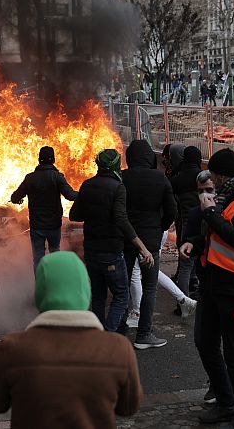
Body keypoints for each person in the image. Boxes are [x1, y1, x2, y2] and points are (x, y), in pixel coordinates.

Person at [0, 251, 143, 428]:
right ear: (84, 290)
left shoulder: (13, 348)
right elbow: (128, 407)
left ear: (41, 292)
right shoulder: (117, 348)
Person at [179, 148, 234, 428]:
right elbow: (215, 236)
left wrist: (211, 212)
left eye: (215, 174)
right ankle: (226, 403)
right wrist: (195, 243)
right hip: (212, 283)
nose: (212, 179)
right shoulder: (225, 197)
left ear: (223, 175)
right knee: (204, 341)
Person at [69, 149, 154, 332]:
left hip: (91, 250)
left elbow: (74, 215)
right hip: (111, 251)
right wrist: (142, 248)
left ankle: (97, 333)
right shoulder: (118, 187)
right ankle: (107, 334)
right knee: (121, 296)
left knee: (98, 295)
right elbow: (121, 219)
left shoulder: (87, 185)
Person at [118, 140, 177, 349]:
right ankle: (144, 333)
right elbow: (172, 210)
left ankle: (119, 329)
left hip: (126, 238)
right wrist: (160, 226)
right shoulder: (160, 178)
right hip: (151, 241)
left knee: (122, 283)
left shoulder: (121, 178)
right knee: (149, 286)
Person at [9, 146, 78, 273]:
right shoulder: (57, 177)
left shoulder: (30, 178)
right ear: (53, 160)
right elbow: (70, 195)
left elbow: (14, 198)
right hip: (54, 226)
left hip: (37, 227)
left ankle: (41, 286)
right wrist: (86, 192)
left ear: (39, 159)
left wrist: (19, 199)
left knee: (38, 258)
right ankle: (55, 285)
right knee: (55, 255)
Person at [169, 145, 204, 305]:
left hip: (186, 226)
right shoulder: (203, 177)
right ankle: (202, 295)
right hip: (205, 226)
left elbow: (172, 203)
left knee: (185, 266)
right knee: (204, 263)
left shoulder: (176, 179)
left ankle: (183, 303)